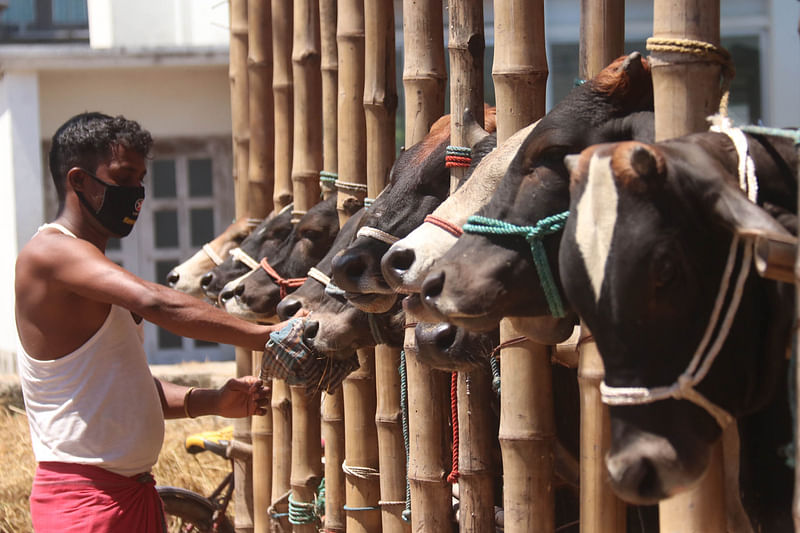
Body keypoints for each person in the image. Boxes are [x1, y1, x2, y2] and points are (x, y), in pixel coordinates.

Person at [14, 112, 292, 532]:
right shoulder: (49, 253)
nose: (137, 194)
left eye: (141, 180)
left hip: (131, 497)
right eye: (124, 178)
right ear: (79, 181)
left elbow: (127, 389)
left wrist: (212, 401)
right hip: (85, 506)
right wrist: (268, 337)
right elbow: (155, 301)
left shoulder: (88, 268)